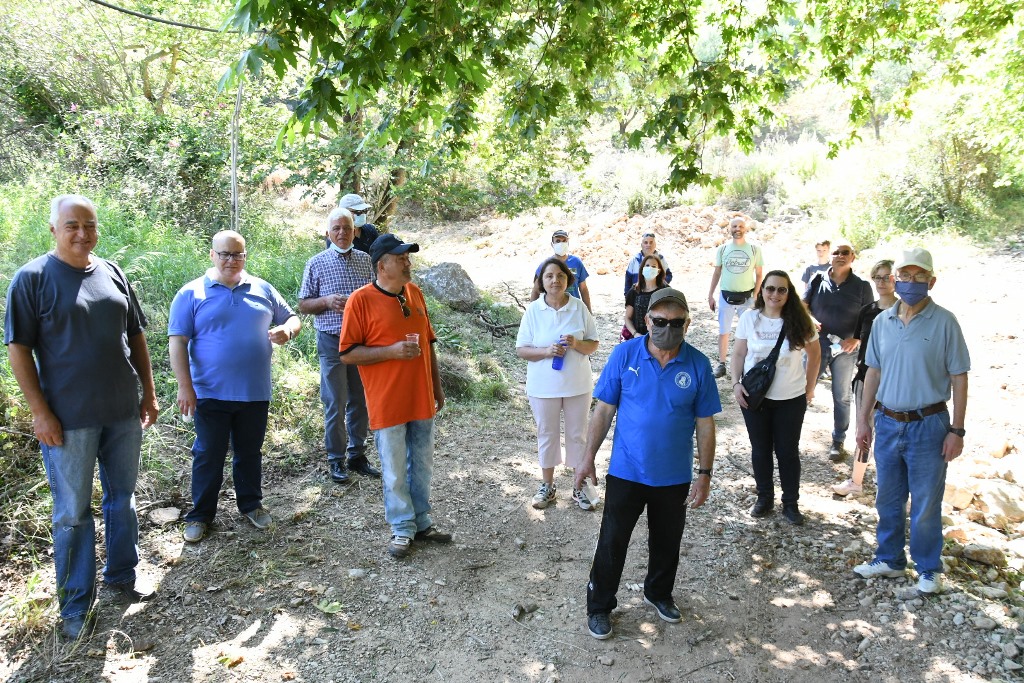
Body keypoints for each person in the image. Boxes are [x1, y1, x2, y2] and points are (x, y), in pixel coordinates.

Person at [4, 194, 160, 639]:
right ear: (53, 229)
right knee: (73, 512)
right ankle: (75, 607)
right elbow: (19, 350)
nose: (82, 233)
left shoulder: (112, 272)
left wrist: (147, 393)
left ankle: (122, 578)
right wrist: (41, 413)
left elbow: (136, 336)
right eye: (72, 225)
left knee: (122, 499)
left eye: (89, 225)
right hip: (68, 420)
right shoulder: (31, 279)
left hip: (122, 412)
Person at [575, 288, 721, 640]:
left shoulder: (698, 364)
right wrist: (587, 458)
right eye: (659, 321)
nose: (666, 328)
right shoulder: (625, 354)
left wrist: (704, 474)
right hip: (627, 470)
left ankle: (658, 592)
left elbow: (705, 423)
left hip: (673, 475)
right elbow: (604, 409)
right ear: (647, 321)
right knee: (612, 540)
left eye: (675, 322)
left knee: (667, 541)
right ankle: (599, 606)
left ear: (686, 324)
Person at [169, 230, 302, 544]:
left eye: (238, 254)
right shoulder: (191, 293)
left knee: (249, 453)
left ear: (245, 256)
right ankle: (200, 515)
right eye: (225, 254)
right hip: (209, 392)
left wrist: (287, 330)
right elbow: (177, 343)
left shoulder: (262, 288)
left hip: (254, 391)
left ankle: (251, 505)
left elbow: (293, 318)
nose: (231, 260)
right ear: (212, 255)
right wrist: (184, 386)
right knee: (208, 454)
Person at [854, 248, 969, 595]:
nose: (912, 282)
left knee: (925, 501)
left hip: (929, 424)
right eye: (906, 275)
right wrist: (863, 420)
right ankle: (889, 559)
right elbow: (873, 371)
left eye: (920, 276)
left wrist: (957, 430)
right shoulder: (881, 321)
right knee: (887, 497)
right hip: (887, 421)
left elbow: (959, 376)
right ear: (895, 280)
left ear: (931, 281)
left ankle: (929, 568)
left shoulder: (945, 321)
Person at [340, 234, 452, 559]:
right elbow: (347, 353)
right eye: (401, 257)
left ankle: (422, 522)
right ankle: (402, 528)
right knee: (394, 467)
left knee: (423, 464)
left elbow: (429, 342)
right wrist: (390, 351)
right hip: (387, 399)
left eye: (408, 257)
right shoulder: (359, 301)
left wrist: (437, 385)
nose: (408, 262)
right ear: (382, 265)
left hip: (420, 397)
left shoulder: (414, 292)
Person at [731, 270, 820, 525]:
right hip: (755, 397)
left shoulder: (801, 321)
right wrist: (736, 384)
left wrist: (809, 387)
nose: (775, 294)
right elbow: (738, 354)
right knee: (760, 450)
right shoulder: (750, 318)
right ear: (762, 291)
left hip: (790, 398)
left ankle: (791, 503)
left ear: (788, 293)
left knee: (787, 452)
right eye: (770, 289)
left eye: (782, 290)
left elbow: (815, 355)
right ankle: (764, 498)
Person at [298, 207, 380, 484]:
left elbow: (377, 299)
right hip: (331, 340)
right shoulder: (316, 262)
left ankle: (357, 455)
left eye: (347, 228)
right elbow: (303, 304)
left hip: (361, 341)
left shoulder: (366, 261)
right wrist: (326, 301)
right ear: (328, 233)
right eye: (336, 228)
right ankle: (336, 458)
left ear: (355, 231)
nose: (342, 233)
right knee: (335, 400)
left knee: (360, 399)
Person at [516, 258, 600, 511]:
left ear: (568, 280)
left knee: (577, 435)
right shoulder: (533, 311)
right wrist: (546, 351)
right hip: (543, 387)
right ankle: (547, 485)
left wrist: (576, 344)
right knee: (547, 433)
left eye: (560, 276)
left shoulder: (579, 308)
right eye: (549, 276)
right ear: (541, 282)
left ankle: (579, 486)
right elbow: (521, 349)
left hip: (577, 384)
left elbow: (593, 344)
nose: (555, 280)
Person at [803, 238, 874, 461]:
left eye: (845, 252)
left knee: (841, 396)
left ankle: (838, 440)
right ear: (830, 256)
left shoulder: (862, 286)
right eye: (836, 252)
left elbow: (870, 318)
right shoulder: (817, 279)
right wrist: (809, 319)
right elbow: (802, 306)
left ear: (853, 257)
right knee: (802, 391)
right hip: (816, 345)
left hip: (846, 349)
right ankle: (790, 435)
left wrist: (857, 339)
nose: (840, 255)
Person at [833, 259, 897, 497]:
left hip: (894, 380)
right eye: (877, 277)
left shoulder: (903, 312)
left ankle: (887, 484)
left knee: (889, 431)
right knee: (863, 428)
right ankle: (856, 481)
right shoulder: (867, 311)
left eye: (887, 277)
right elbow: (860, 341)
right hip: (864, 377)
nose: (882, 282)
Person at [707, 216, 764, 379]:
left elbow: (759, 274)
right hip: (726, 297)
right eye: (734, 226)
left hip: (747, 298)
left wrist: (755, 296)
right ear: (729, 229)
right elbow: (717, 271)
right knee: (724, 331)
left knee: (749, 332)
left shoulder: (754, 250)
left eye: (740, 226)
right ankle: (722, 363)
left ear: (745, 229)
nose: (737, 229)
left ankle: (748, 365)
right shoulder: (723, 249)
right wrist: (710, 294)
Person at [529, 229, 592, 312]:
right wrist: (532, 313)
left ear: (568, 243)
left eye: (564, 241)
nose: (561, 244)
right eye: (558, 241)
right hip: (551, 310)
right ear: (552, 244)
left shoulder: (576, 262)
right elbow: (536, 290)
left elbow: (583, 289)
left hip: (573, 309)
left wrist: (588, 311)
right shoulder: (546, 265)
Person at [623, 254, 668, 340]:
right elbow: (627, 318)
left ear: (658, 271)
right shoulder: (634, 291)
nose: (650, 268)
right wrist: (635, 334)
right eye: (647, 265)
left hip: (660, 338)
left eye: (654, 266)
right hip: (638, 338)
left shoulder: (665, 291)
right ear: (642, 269)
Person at [623, 231, 673, 296]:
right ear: (641, 245)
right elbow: (628, 279)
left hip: (656, 297)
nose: (648, 245)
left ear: (655, 245)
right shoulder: (635, 260)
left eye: (651, 242)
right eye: (646, 242)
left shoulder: (661, 259)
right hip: (637, 295)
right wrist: (628, 296)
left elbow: (668, 275)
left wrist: (660, 285)